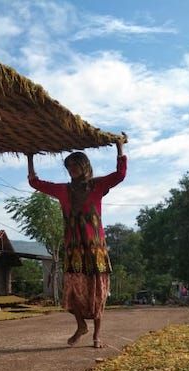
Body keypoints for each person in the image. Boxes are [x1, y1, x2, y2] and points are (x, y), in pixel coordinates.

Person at [27, 134, 127, 348]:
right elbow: (35, 182)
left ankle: (96, 336)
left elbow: (119, 174)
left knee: (97, 292)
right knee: (72, 291)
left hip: (95, 249)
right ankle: (81, 325)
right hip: (74, 251)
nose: (72, 169)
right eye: (69, 166)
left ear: (85, 166)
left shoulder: (97, 186)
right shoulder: (63, 190)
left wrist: (119, 149)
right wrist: (30, 157)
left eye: (76, 165)